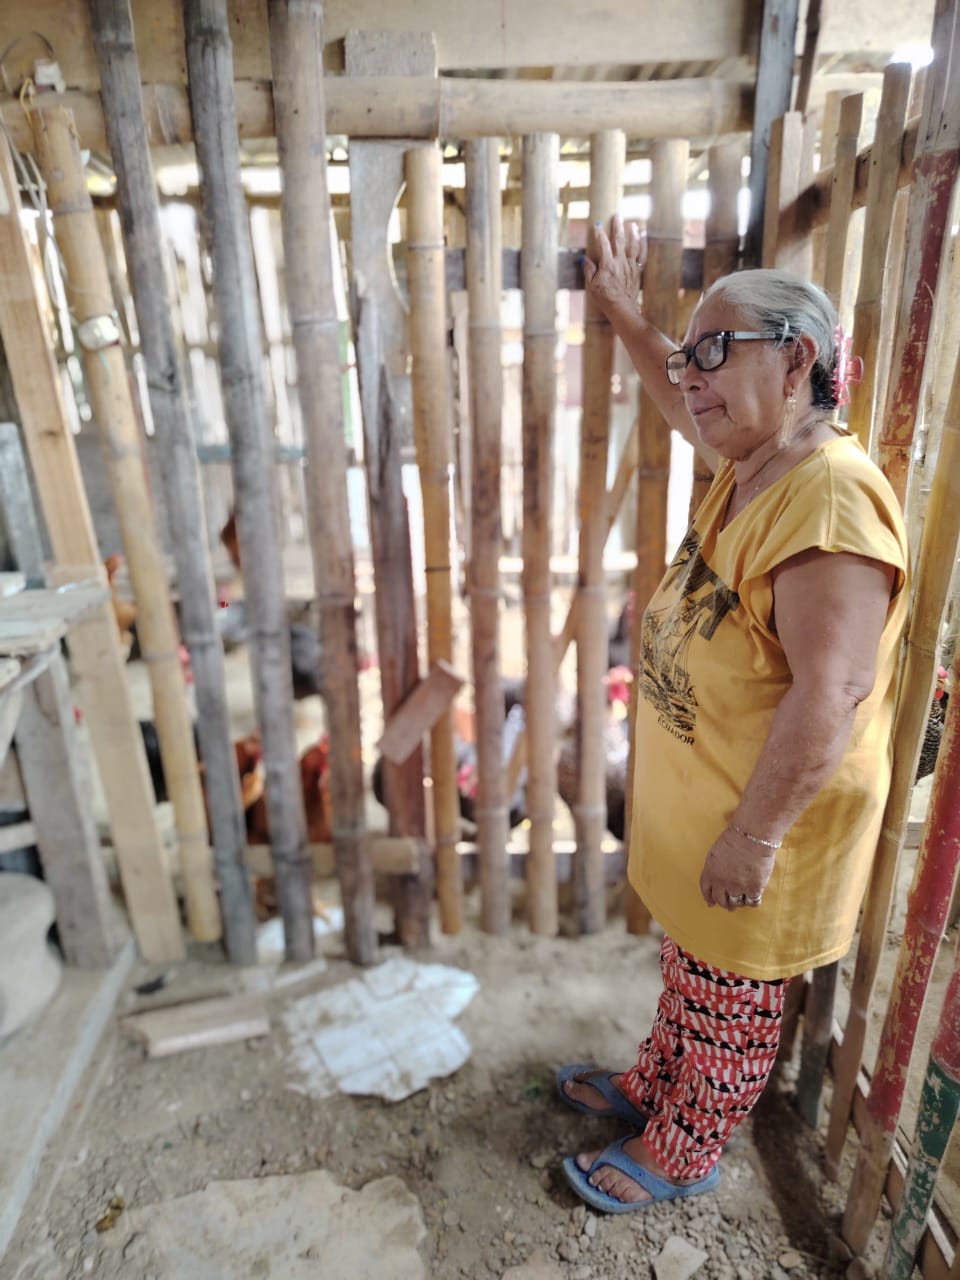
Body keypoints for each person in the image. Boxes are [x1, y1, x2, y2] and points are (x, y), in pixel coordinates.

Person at [557, 215, 909, 1214]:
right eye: (690, 353)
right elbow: (682, 401)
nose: (692, 375)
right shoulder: (760, 464)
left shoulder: (830, 504)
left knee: (731, 1004)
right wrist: (626, 313)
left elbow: (831, 691)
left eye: (714, 350)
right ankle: (654, 1083)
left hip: (766, 825)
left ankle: (687, 1143)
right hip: (717, 805)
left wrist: (753, 837)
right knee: (692, 976)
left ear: (797, 359)